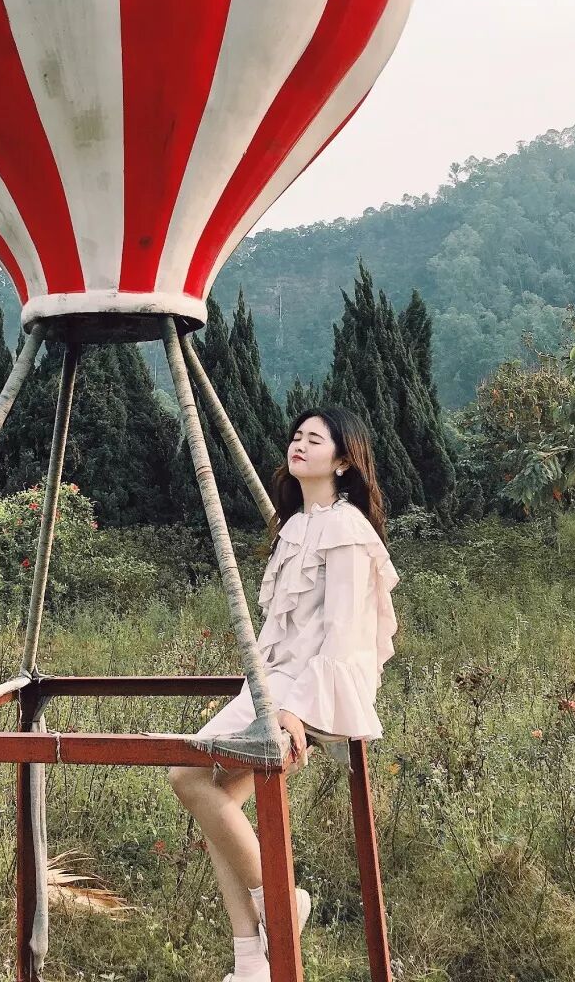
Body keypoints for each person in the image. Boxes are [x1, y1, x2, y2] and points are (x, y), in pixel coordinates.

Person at [166, 406, 400, 982]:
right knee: (210, 795)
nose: (299, 444)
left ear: (343, 461)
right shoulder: (294, 525)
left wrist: (294, 711)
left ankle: (281, 900)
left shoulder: (347, 530)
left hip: (312, 692)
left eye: (315, 439)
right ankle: (250, 958)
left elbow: (342, 636)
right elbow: (279, 635)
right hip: (274, 684)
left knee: (188, 776)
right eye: (296, 436)